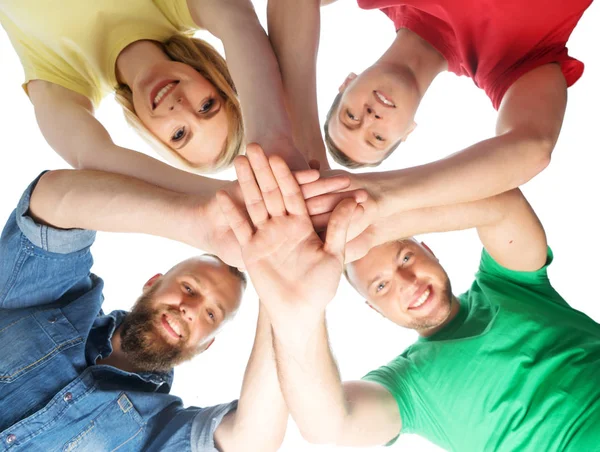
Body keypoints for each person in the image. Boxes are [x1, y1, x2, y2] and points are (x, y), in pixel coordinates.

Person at [220, 147, 600, 450]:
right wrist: (299, 314)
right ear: (375, 309)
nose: (405, 282)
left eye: (406, 257)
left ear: (430, 250)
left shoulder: (507, 283)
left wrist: (379, 215)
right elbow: (328, 424)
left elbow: (504, 204)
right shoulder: (409, 384)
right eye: (381, 287)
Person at [0, 161, 352, 450]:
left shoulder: (159, 429)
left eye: (211, 315)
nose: (191, 309)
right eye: (189, 287)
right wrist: (197, 223)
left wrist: (279, 299)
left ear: (206, 345)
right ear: (153, 283)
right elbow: (49, 203)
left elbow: (251, 441)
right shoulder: (59, 303)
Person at [267, 0, 593, 214]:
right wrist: (378, 196)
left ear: (347, 82)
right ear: (409, 130)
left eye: (350, 116)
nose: (369, 118)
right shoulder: (510, 67)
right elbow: (533, 148)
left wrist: (304, 134)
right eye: (377, 137)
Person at [0, 0, 307, 182]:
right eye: (206, 106)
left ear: (153, 137)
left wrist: (224, 199)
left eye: (179, 134)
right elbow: (239, 22)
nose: (181, 107)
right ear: (212, 77)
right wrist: (271, 136)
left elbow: (93, 156)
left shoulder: (65, 80)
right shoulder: (175, 8)